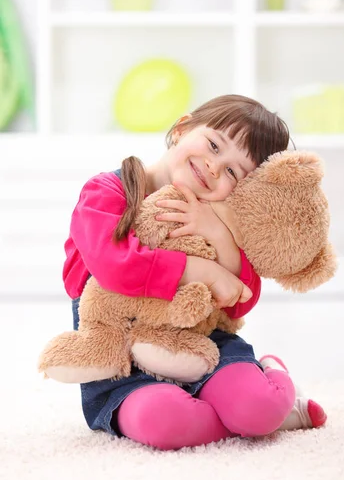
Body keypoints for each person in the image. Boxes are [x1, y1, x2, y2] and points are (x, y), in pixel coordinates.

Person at [64, 94, 327, 451]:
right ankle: (266, 418)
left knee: (258, 409)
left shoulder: (218, 214)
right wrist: (198, 269)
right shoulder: (105, 192)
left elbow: (239, 303)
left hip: (206, 347)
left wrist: (218, 236)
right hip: (123, 360)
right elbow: (113, 267)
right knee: (166, 423)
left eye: (234, 171)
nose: (215, 167)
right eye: (214, 144)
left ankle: (270, 385)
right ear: (182, 128)